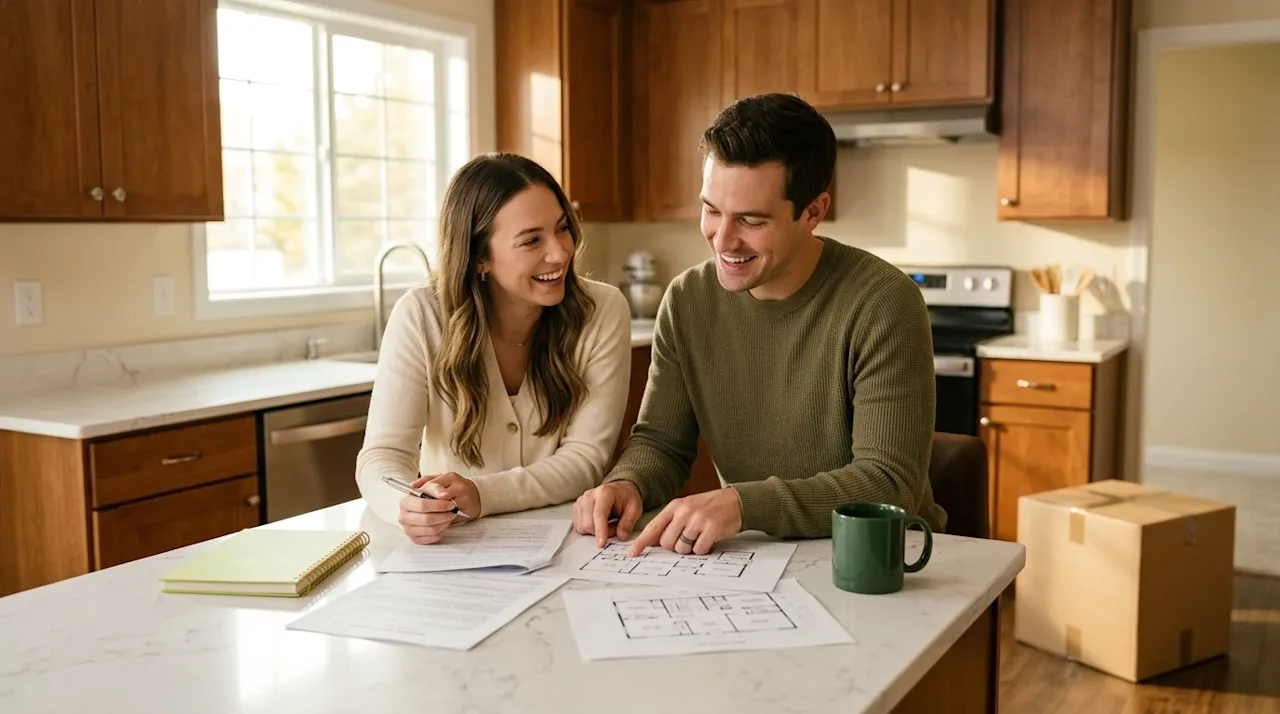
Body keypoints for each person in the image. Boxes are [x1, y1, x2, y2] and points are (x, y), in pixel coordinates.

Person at [571, 92, 946, 556]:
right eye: (711, 210)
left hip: (882, 559)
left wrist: (743, 504)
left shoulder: (883, 301)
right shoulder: (687, 300)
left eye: (750, 220)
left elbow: (889, 483)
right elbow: (662, 444)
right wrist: (628, 483)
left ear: (813, 212)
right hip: (761, 555)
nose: (723, 239)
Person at [356, 152, 633, 545]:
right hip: (452, 548)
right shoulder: (421, 316)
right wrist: (407, 503)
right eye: (532, 240)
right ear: (480, 256)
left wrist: (482, 494)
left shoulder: (602, 311)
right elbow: (382, 455)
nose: (559, 253)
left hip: (568, 544)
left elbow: (586, 459)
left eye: (562, 228)